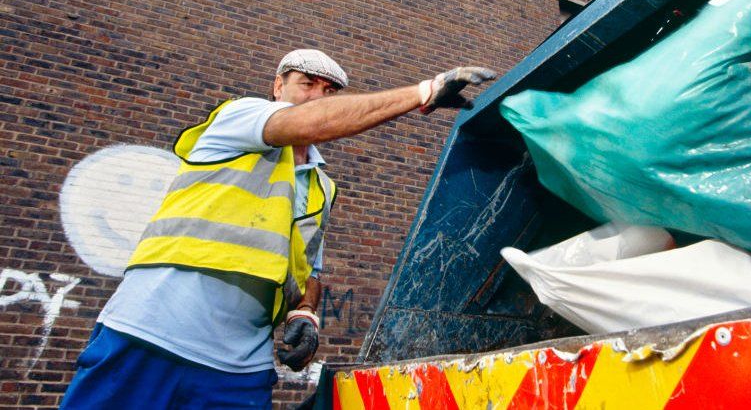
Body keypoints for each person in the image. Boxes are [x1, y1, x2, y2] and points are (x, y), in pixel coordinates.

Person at [60, 49, 496, 409]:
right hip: (149, 335)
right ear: (277, 86)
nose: (316, 97)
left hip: (239, 369)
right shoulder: (239, 118)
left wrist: (304, 311)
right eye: (306, 84)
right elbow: (307, 123)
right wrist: (424, 92)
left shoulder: (321, 188)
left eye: (328, 92)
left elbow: (308, 272)